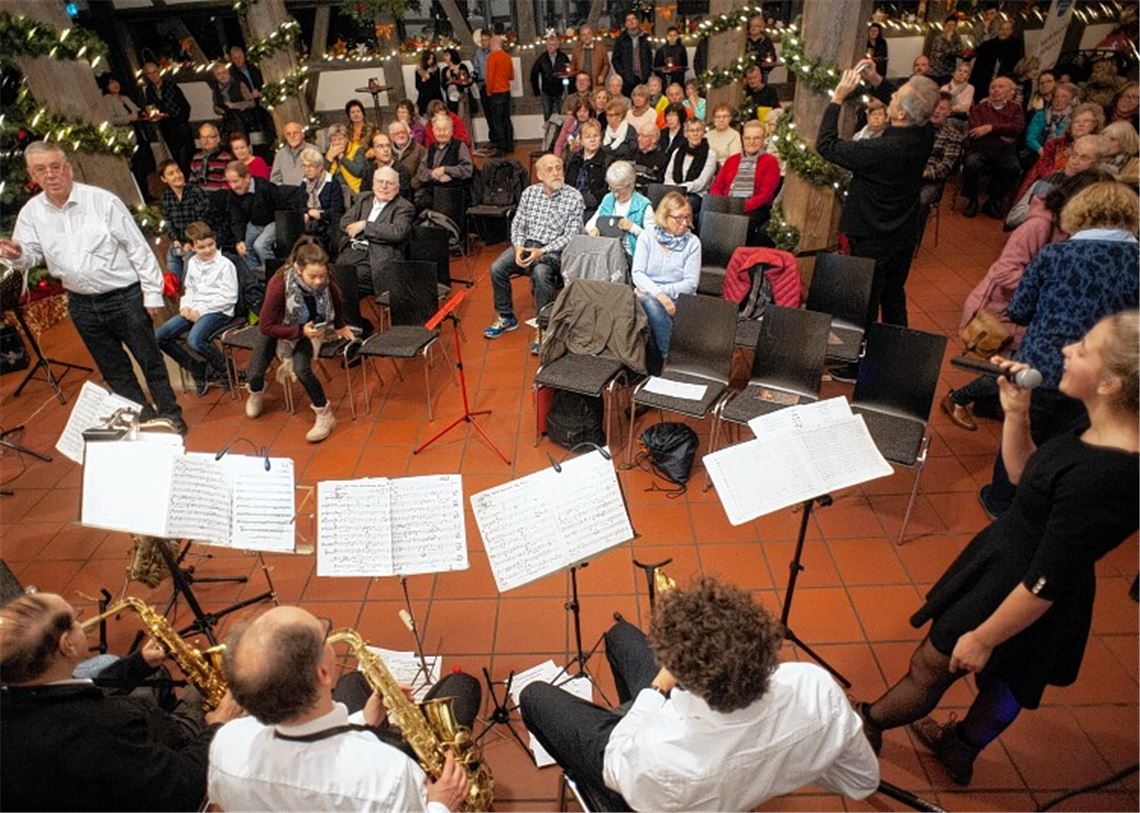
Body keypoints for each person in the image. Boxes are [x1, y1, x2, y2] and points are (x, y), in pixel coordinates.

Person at [858, 311, 1139, 787]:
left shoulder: (1108, 474)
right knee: (1013, 678)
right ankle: (960, 748)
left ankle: (868, 723)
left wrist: (984, 636)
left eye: (1084, 349)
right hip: (1029, 568)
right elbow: (1024, 478)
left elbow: (1044, 580)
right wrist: (1017, 413)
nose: (1067, 350)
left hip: (1027, 586)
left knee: (936, 665)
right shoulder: (1093, 424)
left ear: (1111, 383)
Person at [519, 577, 880, 811]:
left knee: (534, 696)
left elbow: (618, 760)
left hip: (637, 769)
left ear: (686, 679)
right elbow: (862, 781)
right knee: (621, 637)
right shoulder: (814, 686)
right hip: (691, 765)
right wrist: (783, 762)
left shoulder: (662, 755)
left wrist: (656, 689)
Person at [209, 605, 478, 812]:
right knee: (462, 687)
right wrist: (441, 802)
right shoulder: (388, 774)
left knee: (353, 682)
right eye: (323, 634)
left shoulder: (226, 742)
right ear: (323, 674)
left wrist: (365, 719)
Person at [977, 181, 1139, 518]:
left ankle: (1001, 504)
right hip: (1103, 373)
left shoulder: (1054, 255)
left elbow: (1019, 310)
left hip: (1040, 366)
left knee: (1021, 429)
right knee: (1071, 445)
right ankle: (1048, 508)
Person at [1, 142, 186, 433]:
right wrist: (16, 255)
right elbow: (31, 254)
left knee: (149, 361)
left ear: (68, 168)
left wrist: (151, 293)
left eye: (55, 166)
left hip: (124, 297)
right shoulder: (31, 213)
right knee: (114, 370)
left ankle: (171, 417)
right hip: (81, 303)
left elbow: (137, 248)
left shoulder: (102, 201)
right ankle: (144, 419)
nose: (50, 175)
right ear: (32, 174)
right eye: (41, 169)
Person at [0, 592, 241, 811]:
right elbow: (179, 786)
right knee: (222, 692)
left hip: (104, 767)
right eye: (76, 620)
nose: (83, 623)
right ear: (67, 646)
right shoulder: (102, 729)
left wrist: (138, 664)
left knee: (142, 672)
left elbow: (82, 685)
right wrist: (217, 725)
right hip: (160, 768)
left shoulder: (19, 689)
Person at [943, 170, 1107, 431]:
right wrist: (1049, 288)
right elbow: (1005, 271)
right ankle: (957, 399)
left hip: (1026, 312)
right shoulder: (1039, 225)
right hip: (1005, 310)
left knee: (1019, 367)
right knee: (1016, 370)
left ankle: (982, 405)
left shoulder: (1066, 227)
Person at [816, 64, 939, 351]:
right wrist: (875, 79)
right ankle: (895, 356)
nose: (891, 96)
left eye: (896, 98)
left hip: (872, 234)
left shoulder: (880, 150)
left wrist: (837, 99)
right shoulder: (924, 133)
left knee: (866, 301)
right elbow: (907, 102)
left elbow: (827, 145)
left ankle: (860, 358)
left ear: (899, 114)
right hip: (903, 231)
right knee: (894, 294)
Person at [244, 238, 354, 441]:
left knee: (302, 369)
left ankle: (325, 415)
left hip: (309, 329)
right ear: (299, 269)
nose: (319, 281)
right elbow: (266, 326)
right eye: (313, 277)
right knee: (254, 372)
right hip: (277, 327)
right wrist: (297, 330)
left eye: (322, 276)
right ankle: (256, 392)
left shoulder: (327, 281)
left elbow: (336, 299)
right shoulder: (279, 283)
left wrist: (340, 325)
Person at [484, 153, 584, 353]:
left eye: (559, 168)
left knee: (540, 273)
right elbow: (518, 223)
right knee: (497, 268)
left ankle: (546, 327)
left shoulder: (574, 196)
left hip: (554, 250)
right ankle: (506, 316)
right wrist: (519, 246)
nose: (556, 173)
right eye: (550, 169)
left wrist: (542, 251)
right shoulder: (530, 193)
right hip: (527, 244)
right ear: (539, 174)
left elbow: (572, 236)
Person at [154, 221, 238, 395]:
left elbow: (229, 297)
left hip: (219, 310)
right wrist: (185, 306)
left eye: (210, 245)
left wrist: (201, 311)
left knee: (195, 340)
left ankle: (225, 370)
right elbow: (190, 288)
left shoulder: (225, 265)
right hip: (194, 309)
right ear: (192, 247)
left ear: (215, 241)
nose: (207, 250)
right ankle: (197, 368)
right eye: (201, 247)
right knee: (160, 336)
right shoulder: (192, 262)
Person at [335, 166, 415, 331]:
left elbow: (397, 232)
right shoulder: (364, 199)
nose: (384, 186)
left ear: (397, 187)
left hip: (375, 260)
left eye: (389, 183)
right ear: (373, 184)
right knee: (327, 281)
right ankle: (351, 325)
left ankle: (356, 329)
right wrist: (367, 230)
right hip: (350, 253)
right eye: (380, 182)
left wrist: (365, 226)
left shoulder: (404, 207)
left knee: (344, 284)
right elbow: (344, 222)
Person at [630, 192, 700, 363]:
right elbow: (637, 273)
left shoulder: (693, 243)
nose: (685, 223)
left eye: (687, 218)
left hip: (679, 299)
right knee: (650, 304)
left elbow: (691, 284)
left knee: (649, 303)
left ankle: (662, 362)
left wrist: (661, 293)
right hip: (650, 296)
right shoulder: (647, 237)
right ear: (664, 216)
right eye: (679, 218)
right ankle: (672, 358)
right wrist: (660, 296)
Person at [1005, 134, 1102, 229]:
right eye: (1074, 154)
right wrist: (1040, 210)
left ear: (1098, 164)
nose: (1075, 161)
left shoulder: (1094, 195)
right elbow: (1012, 219)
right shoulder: (1048, 180)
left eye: (1084, 158)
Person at [960, 77, 1024, 219]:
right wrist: (1002, 132)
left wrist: (990, 128)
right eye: (993, 87)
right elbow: (975, 130)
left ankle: (993, 201)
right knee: (971, 163)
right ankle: (972, 200)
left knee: (1013, 168)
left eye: (1000, 87)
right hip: (980, 148)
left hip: (1004, 150)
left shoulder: (1016, 109)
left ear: (1010, 91)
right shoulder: (979, 108)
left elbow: (1017, 128)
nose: (995, 90)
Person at [709, 120, 781, 245]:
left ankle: (732, 259)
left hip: (755, 208)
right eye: (748, 138)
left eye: (756, 138)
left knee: (737, 224)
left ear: (763, 139)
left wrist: (739, 207)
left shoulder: (771, 162)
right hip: (727, 204)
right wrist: (721, 204)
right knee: (705, 218)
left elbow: (764, 196)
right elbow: (717, 186)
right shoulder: (732, 160)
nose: (751, 142)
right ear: (742, 139)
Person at [1017, 102, 1104, 201]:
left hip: (1080, 190)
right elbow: (1044, 169)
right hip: (1050, 183)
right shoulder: (1055, 143)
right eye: (1076, 121)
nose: (1081, 124)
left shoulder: (1099, 149)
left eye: (1087, 121)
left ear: (1095, 125)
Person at [915, 94, 967, 241]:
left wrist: (923, 173)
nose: (937, 111)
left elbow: (946, 166)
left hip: (931, 182)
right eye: (935, 107)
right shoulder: (918, 128)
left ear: (949, 112)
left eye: (942, 108)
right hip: (909, 174)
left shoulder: (953, 135)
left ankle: (912, 242)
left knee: (921, 200)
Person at [102, 75, 156, 202]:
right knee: (134, 167)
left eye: (116, 81)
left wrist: (147, 114)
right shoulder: (107, 100)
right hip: (125, 137)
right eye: (111, 83)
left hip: (138, 134)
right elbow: (110, 119)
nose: (115, 85)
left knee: (142, 166)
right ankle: (140, 195)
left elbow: (137, 111)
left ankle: (147, 193)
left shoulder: (125, 98)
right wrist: (128, 119)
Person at [159, 159, 214, 280]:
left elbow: (202, 222)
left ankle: (188, 289)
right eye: (171, 173)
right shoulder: (166, 197)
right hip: (180, 240)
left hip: (198, 240)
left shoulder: (196, 192)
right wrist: (175, 240)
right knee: (171, 262)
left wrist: (190, 242)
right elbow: (168, 222)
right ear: (164, 179)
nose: (177, 175)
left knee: (188, 264)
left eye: (178, 171)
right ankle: (177, 291)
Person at [586, 160, 653, 259]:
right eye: (612, 189)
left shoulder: (643, 205)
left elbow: (652, 240)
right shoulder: (608, 199)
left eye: (620, 190)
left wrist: (632, 227)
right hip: (605, 253)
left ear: (631, 185)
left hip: (631, 256)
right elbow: (590, 223)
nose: (616, 194)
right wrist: (593, 229)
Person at [224, 160, 280, 270]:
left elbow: (283, 208)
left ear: (247, 177)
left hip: (273, 221)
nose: (233, 186)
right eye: (229, 182)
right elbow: (237, 218)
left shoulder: (266, 187)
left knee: (260, 245)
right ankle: (254, 274)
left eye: (236, 181)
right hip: (254, 223)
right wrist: (239, 240)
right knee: (245, 248)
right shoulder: (233, 194)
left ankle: (272, 273)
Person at [414, 113, 474, 212]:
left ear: (451, 131)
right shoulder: (430, 149)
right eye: (438, 130)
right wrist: (433, 174)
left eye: (445, 129)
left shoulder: (460, 146)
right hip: (432, 192)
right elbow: (421, 171)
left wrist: (445, 170)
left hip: (454, 194)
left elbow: (468, 170)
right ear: (433, 131)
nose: (442, 133)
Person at [142, 61, 193, 174]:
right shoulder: (149, 90)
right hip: (166, 127)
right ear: (147, 76)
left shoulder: (171, 85)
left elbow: (185, 107)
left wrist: (170, 115)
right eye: (150, 74)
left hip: (180, 125)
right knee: (177, 158)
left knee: (188, 157)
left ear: (159, 72)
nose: (153, 75)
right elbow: (150, 106)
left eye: (155, 72)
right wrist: (153, 114)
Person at [297, 147, 344, 252]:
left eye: (311, 166)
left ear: (320, 167)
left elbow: (337, 210)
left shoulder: (331, 183)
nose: (307, 170)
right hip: (308, 224)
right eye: (304, 166)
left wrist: (320, 214)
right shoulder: (304, 183)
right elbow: (298, 206)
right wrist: (308, 211)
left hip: (328, 226)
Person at [665, 119, 717, 212]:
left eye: (699, 130)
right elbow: (668, 175)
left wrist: (681, 189)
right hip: (674, 191)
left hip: (696, 194)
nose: (695, 134)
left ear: (703, 133)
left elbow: (702, 183)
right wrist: (674, 189)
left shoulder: (710, 155)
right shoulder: (678, 151)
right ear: (685, 134)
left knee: (680, 207)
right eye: (691, 131)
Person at [564, 120, 608, 220]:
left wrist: (585, 201)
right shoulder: (574, 159)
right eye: (588, 137)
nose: (592, 140)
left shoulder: (607, 160)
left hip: (594, 207)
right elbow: (567, 184)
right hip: (572, 204)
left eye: (595, 136)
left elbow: (606, 190)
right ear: (581, 140)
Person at [970, 18, 1023, 96]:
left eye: (1007, 29)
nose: (1004, 32)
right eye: (1001, 29)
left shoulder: (1017, 46)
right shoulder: (987, 45)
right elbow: (977, 68)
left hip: (1005, 85)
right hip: (984, 85)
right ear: (998, 31)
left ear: (1011, 31)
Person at [1024, 80, 1075, 160]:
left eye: (1064, 96)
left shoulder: (1073, 120)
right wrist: (1041, 151)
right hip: (1038, 153)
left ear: (1071, 100)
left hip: (1060, 157)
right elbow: (1030, 138)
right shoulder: (1040, 115)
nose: (1059, 100)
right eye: (1056, 96)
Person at [484, 34, 515, 157]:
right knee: (506, 119)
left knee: (497, 121)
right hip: (506, 91)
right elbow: (511, 76)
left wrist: (488, 90)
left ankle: (501, 148)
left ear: (493, 44)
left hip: (496, 92)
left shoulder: (492, 57)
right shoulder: (507, 57)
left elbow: (489, 77)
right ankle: (509, 145)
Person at [211, 62, 259, 141]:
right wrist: (220, 109)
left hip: (244, 122)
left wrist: (234, 105)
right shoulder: (215, 90)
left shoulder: (239, 84)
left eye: (224, 72)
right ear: (215, 76)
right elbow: (215, 106)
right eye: (219, 74)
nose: (222, 75)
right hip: (228, 124)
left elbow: (251, 103)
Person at [363, 130, 414, 201]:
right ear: (373, 151)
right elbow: (363, 196)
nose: (386, 150)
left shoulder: (402, 172)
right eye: (380, 146)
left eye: (388, 146)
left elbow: (401, 200)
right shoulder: (369, 171)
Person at [612, 10, 653, 98]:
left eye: (633, 19)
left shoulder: (645, 37)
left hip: (643, 78)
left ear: (638, 21)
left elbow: (650, 57)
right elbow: (615, 59)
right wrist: (623, 74)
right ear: (626, 24)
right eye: (628, 20)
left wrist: (648, 73)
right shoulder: (621, 39)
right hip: (627, 80)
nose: (631, 22)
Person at [325, 123, 369, 203]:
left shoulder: (357, 150)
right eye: (334, 140)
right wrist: (328, 159)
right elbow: (322, 177)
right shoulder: (329, 153)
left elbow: (358, 171)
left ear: (346, 139)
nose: (338, 143)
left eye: (340, 139)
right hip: (335, 193)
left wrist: (342, 157)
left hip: (355, 192)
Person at [532, 33, 571, 121]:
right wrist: (536, 91)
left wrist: (567, 91)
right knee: (547, 114)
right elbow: (534, 74)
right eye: (549, 44)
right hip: (546, 91)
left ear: (557, 46)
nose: (550, 47)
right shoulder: (541, 58)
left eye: (553, 45)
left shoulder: (563, 57)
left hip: (560, 91)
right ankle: (548, 133)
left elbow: (568, 74)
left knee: (563, 114)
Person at [188, 123, 234, 193]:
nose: (206, 140)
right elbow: (192, 182)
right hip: (200, 199)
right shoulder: (196, 158)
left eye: (209, 137)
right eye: (203, 137)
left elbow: (227, 184)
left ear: (218, 139)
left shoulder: (226, 158)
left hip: (220, 198)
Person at [271, 120, 319, 186]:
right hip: (286, 194)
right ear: (285, 137)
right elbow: (275, 179)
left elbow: (318, 176)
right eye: (288, 134)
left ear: (302, 134)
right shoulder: (280, 154)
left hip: (307, 193)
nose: (292, 136)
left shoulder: (313, 150)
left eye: (295, 133)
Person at [389, 119, 427, 191]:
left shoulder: (419, 149)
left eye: (403, 132)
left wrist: (409, 186)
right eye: (397, 133)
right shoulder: (387, 151)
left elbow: (423, 172)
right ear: (391, 137)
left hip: (415, 191)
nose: (401, 135)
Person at [570, 23, 610, 89]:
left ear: (592, 34)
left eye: (589, 33)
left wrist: (602, 75)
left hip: (597, 82)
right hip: (581, 83)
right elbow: (573, 65)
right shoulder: (576, 49)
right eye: (583, 35)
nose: (586, 37)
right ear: (580, 37)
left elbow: (606, 64)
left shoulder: (601, 48)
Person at [926, 16, 962, 85]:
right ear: (944, 26)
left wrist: (949, 42)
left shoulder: (957, 38)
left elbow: (958, 51)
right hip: (936, 70)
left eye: (953, 25)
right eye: (948, 25)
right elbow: (944, 54)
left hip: (949, 71)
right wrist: (948, 42)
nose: (950, 28)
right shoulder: (938, 39)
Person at [632, 123, 668, 188]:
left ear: (654, 139)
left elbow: (660, 184)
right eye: (639, 135)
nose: (639, 139)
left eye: (643, 136)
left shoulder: (662, 158)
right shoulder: (631, 153)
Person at [414, 50, 444, 116]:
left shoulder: (436, 69)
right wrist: (423, 80)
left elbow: (437, 84)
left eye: (433, 58)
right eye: (429, 58)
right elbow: (418, 86)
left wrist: (429, 78)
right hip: (424, 98)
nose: (431, 60)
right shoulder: (419, 70)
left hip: (435, 96)